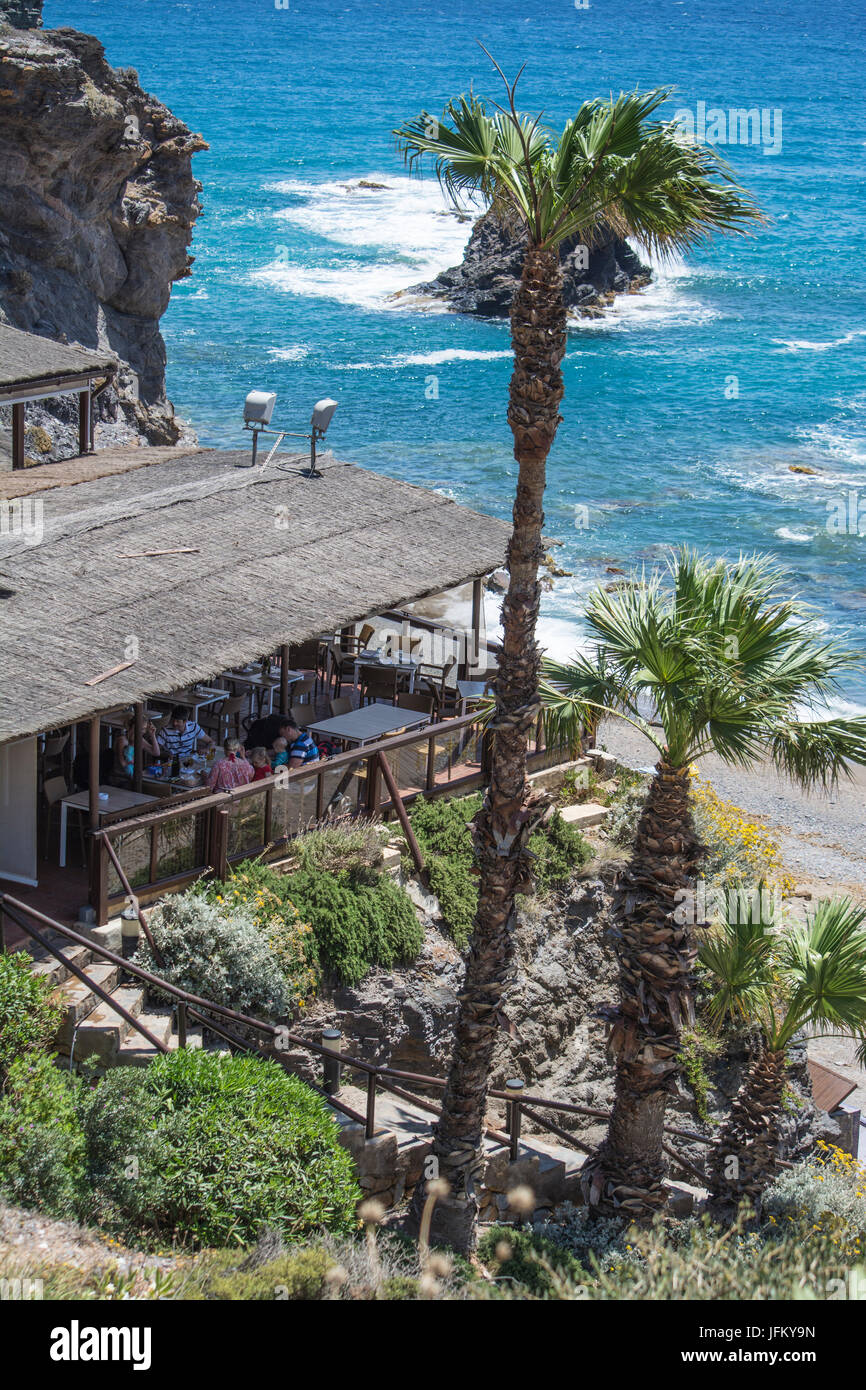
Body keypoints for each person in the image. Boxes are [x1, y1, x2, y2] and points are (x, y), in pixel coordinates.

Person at [114, 716, 160, 781]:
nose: (144, 731)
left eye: (145, 729)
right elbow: (123, 765)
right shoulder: (123, 740)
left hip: (134, 774)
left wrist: (152, 735)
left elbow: (156, 753)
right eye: (142, 729)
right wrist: (142, 774)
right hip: (121, 778)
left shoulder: (139, 738)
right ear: (134, 727)